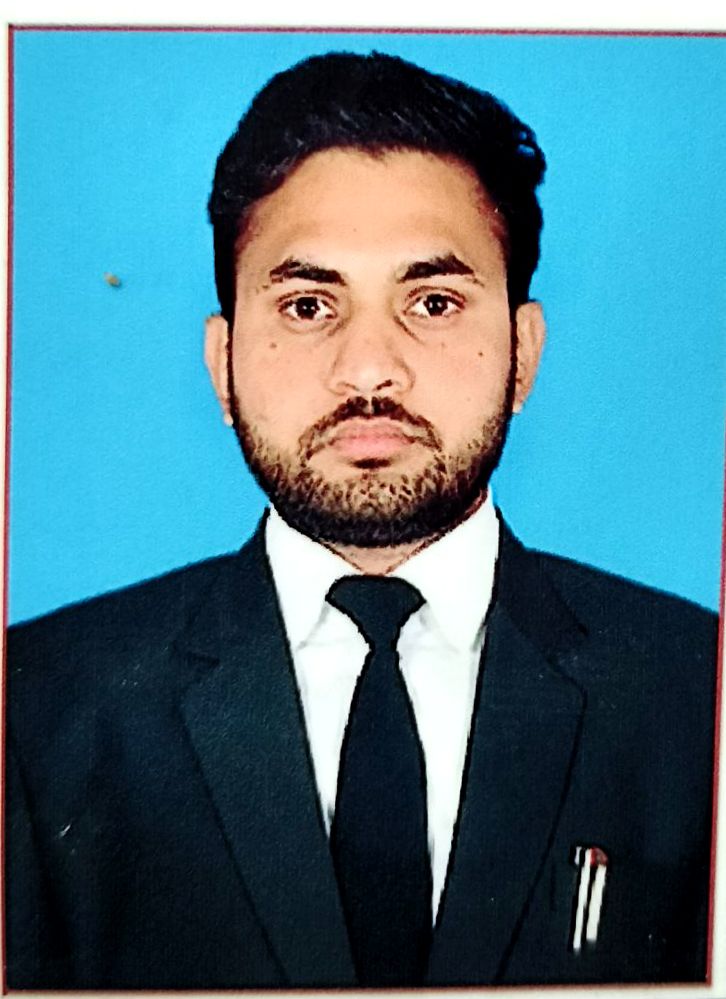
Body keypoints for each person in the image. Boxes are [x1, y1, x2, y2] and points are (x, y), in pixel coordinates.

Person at [5, 51, 718, 990]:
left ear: (523, 352)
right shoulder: (34, 707)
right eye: (308, 305)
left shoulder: (697, 695)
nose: (370, 369)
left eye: (433, 301)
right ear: (222, 363)